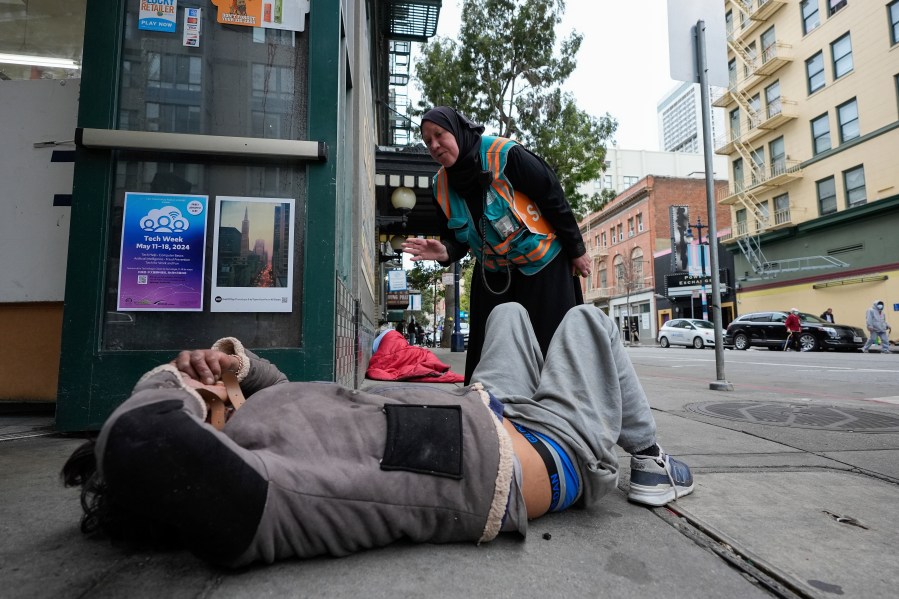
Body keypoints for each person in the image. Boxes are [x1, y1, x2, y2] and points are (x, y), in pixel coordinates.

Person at [61, 303, 693, 568]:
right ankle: (650, 457)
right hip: (543, 450)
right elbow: (146, 443)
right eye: (196, 387)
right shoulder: (262, 490)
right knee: (588, 321)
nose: (205, 375)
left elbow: (282, 390)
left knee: (508, 312)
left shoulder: (254, 421)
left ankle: (627, 438)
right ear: (190, 418)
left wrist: (237, 367)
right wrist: (165, 382)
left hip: (487, 406)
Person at [403, 107, 590, 383]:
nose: (434, 145)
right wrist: (444, 252)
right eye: (427, 141)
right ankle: (489, 409)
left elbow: (552, 195)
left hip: (542, 263)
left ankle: (557, 406)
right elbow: (456, 242)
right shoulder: (439, 186)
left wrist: (577, 250)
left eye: (439, 135)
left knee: (551, 347)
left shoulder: (504, 155)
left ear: (458, 131)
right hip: (493, 272)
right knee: (488, 349)